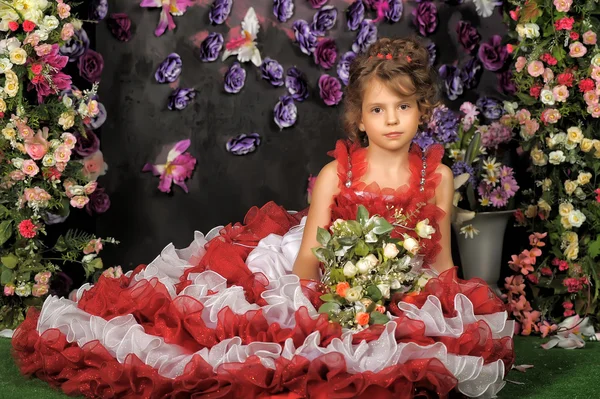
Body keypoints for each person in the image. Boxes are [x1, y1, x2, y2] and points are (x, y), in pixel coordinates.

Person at [12, 37, 514, 398]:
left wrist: (442, 304)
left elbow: (441, 253)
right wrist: (332, 299)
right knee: (264, 338)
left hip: (397, 275)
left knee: (418, 344)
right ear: (358, 118)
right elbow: (310, 256)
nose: (390, 121)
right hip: (322, 269)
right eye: (378, 110)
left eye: (402, 107)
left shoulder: (437, 174)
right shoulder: (336, 176)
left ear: (423, 111)